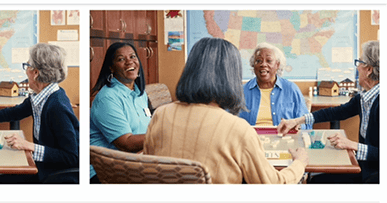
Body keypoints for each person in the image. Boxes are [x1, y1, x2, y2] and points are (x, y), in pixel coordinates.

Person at [143, 37, 308, 184]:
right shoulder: (238, 129)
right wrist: (299, 163)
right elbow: (272, 185)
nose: (262, 65)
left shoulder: (160, 115)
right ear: (231, 77)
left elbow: (147, 168)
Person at [0, 43, 79, 184]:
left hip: (55, 177)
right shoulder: (40, 97)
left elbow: (72, 157)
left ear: (36, 72)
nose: (25, 71)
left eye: (27, 66)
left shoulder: (57, 106)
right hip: (43, 169)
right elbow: (13, 113)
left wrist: (29, 146)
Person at [278, 40, 379, 183]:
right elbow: (335, 112)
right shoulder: (364, 97)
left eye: (359, 62)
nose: (357, 68)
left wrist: (352, 145)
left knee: (317, 182)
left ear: (368, 69)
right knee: (315, 180)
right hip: (365, 169)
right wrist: (297, 120)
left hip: (377, 177)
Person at [89, 42, 150, 183]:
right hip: (106, 170)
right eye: (121, 59)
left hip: (135, 160)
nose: (129, 61)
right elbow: (126, 143)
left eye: (133, 56)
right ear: (111, 68)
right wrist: (161, 135)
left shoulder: (140, 93)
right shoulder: (107, 98)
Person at [239, 42, 311, 129]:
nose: (263, 64)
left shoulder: (291, 89)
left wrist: (299, 126)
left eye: (269, 61)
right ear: (253, 65)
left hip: (284, 139)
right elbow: (229, 121)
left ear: (277, 65)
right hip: (251, 139)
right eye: (258, 61)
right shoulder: (241, 91)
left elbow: (306, 123)